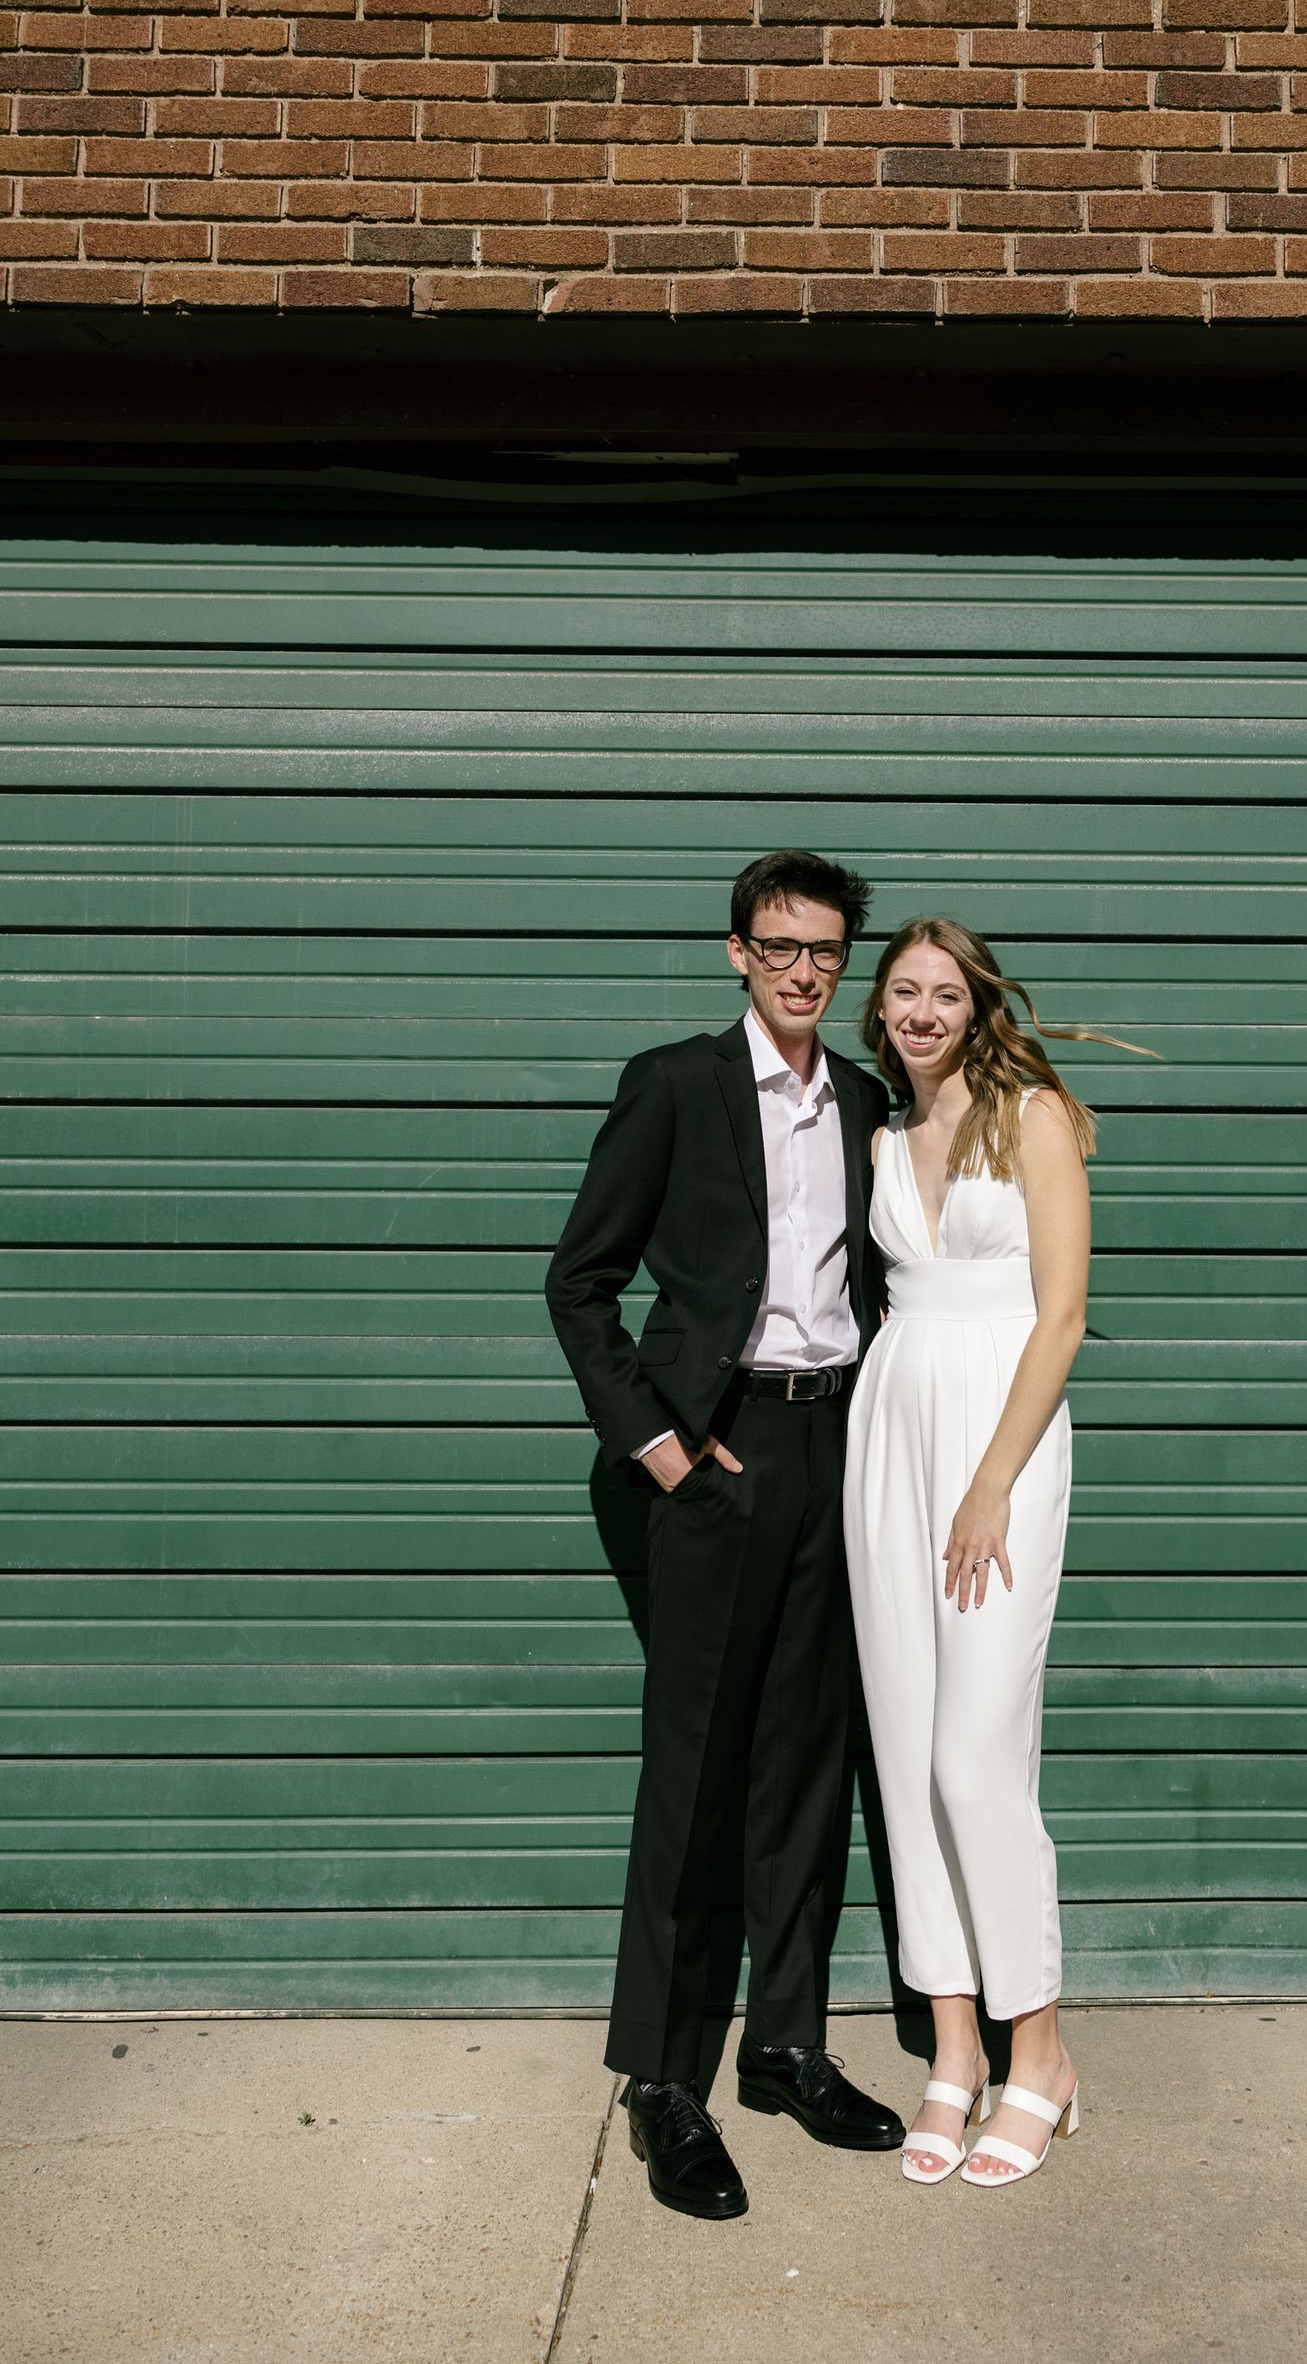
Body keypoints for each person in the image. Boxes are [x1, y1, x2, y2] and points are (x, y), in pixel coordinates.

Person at [544, 851, 904, 2222]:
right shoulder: (674, 1085)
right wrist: (663, 1446)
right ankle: (661, 2080)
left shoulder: (863, 1100)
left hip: (834, 1447)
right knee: (693, 1771)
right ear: (737, 952)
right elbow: (578, 1283)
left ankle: (785, 2045)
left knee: (806, 1765)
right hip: (716, 1453)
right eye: (779, 945)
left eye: (824, 950)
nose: (803, 969)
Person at [844, 916, 1151, 2190]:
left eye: (945, 993)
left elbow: (1061, 1314)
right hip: (888, 1432)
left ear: (977, 1008)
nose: (922, 1010)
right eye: (903, 991)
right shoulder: (879, 1137)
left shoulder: (1031, 1116)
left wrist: (988, 1480)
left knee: (975, 1760)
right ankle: (955, 2049)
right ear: (880, 1010)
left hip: (997, 1444)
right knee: (908, 1759)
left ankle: (1042, 2053)